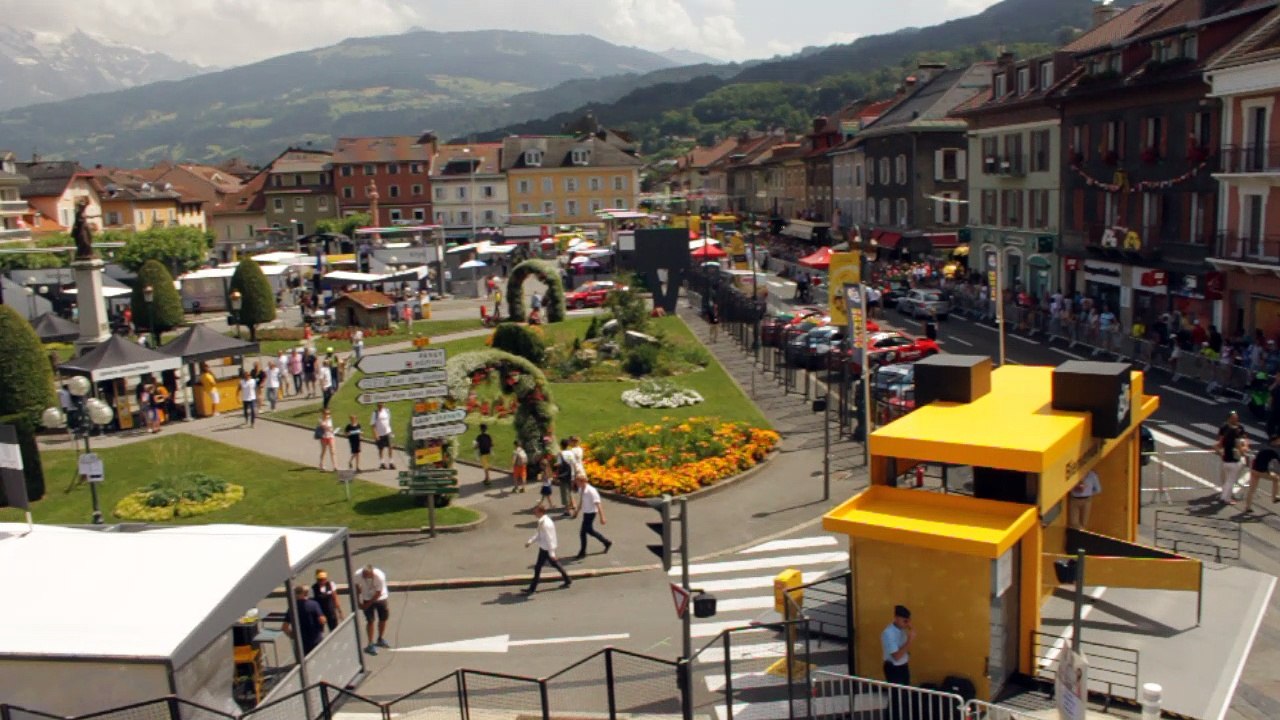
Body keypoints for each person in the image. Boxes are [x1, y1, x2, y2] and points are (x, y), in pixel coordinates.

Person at [524, 505, 572, 594]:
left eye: (536, 511)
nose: (534, 513)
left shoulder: (545, 523)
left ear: (541, 512)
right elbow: (539, 534)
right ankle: (567, 579)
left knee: (539, 567)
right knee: (554, 564)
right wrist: (530, 541)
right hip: (545, 548)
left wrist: (552, 553)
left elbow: (550, 538)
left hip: (546, 549)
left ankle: (532, 589)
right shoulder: (543, 521)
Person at [354, 565, 391, 655]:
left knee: (383, 618)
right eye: (363, 574)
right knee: (370, 620)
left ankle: (380, 638)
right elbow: (355, 586)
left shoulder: (379, 577)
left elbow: (378, 593)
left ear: (371, 574)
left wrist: (367, 605)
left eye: (366, 575)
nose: (364, 576)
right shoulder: (358, 575)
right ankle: (370, 643)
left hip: (381, 597)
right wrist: (358, 602)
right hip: (366, 596)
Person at [573, 473, 612, 559]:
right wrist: (577, 511)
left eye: (577, 481)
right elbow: (581, 501)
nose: (576, 483)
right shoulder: (581, 489)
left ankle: (582, 552)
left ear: (583, 481)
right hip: (586, 512)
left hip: (591, 513)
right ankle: (606, 542)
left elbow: (598, 504)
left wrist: (602, 517)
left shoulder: (591, 491)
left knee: (583, 533)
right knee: (590, 531)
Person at [1216, 411, 1249, 504]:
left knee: (1228, 480)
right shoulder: (1235, 440)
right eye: (1234, 418)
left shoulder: (1226, 438)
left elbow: (1217, 444)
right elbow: (1241, 449)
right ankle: (1226, 498)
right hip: (1234, 461)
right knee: (1230, 481)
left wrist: (1221, 452)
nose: (1236, 420)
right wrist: (1244, 452)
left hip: (1226, 460)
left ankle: (1224, 495)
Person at [283, 585, 326, 656]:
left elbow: (284, 627)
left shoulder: (292, 608)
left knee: (304, 664)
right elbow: (322, 620)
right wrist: (321, 629)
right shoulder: (314, 604)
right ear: (305, 593)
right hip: (315, 639)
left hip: (301, 643)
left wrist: (292, 635)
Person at [1245, 434, 1280, 513]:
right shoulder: (1273, 451)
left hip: (1254, 469)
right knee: (1276, 478)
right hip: (1261, 471)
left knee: (1252, 489)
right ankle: (1274, 497)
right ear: (1274, 441)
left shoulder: (1263, 446)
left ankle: (1247, 507)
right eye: (1278, 441)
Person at [881, 605, 915, 686]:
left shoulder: (902, 629)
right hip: (894, 668)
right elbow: (896, 656)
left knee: (905, 694)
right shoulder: (889, 633)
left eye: (908, 621)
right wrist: (909, 641)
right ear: (896, 618)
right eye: (904, 621)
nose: (906, 624)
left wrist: (911, 628)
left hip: (903, 665)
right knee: (897, 695)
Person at [372, 402, 395, 469]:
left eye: (382, 404)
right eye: (379, 404)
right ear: (377, 405)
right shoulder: (375, 413)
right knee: (381, 449)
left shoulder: (387, 411)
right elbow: (373, 425)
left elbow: (388, 422)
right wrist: (376, 434)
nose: (380, 405)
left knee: (390, 447)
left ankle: (391, 463)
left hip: (387, 433)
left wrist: (391, 431)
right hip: (380, 434)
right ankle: (382, 463)